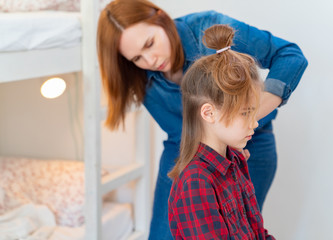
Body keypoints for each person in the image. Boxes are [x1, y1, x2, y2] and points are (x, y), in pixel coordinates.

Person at [97, 0, 307, 239]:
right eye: (137, 58)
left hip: (249, 145)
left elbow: (290, 56)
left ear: (161, 18)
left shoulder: (208, 28)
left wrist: (245, 118)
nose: (151, 61)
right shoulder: (138, 76)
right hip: (184, 151)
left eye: (150, 44)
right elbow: (181, 134)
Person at [168, 24, 274, 240]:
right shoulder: (196, 182)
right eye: (245, 113)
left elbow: (256, 230)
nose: (254, 123)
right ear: (208, 113)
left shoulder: (235, 159)